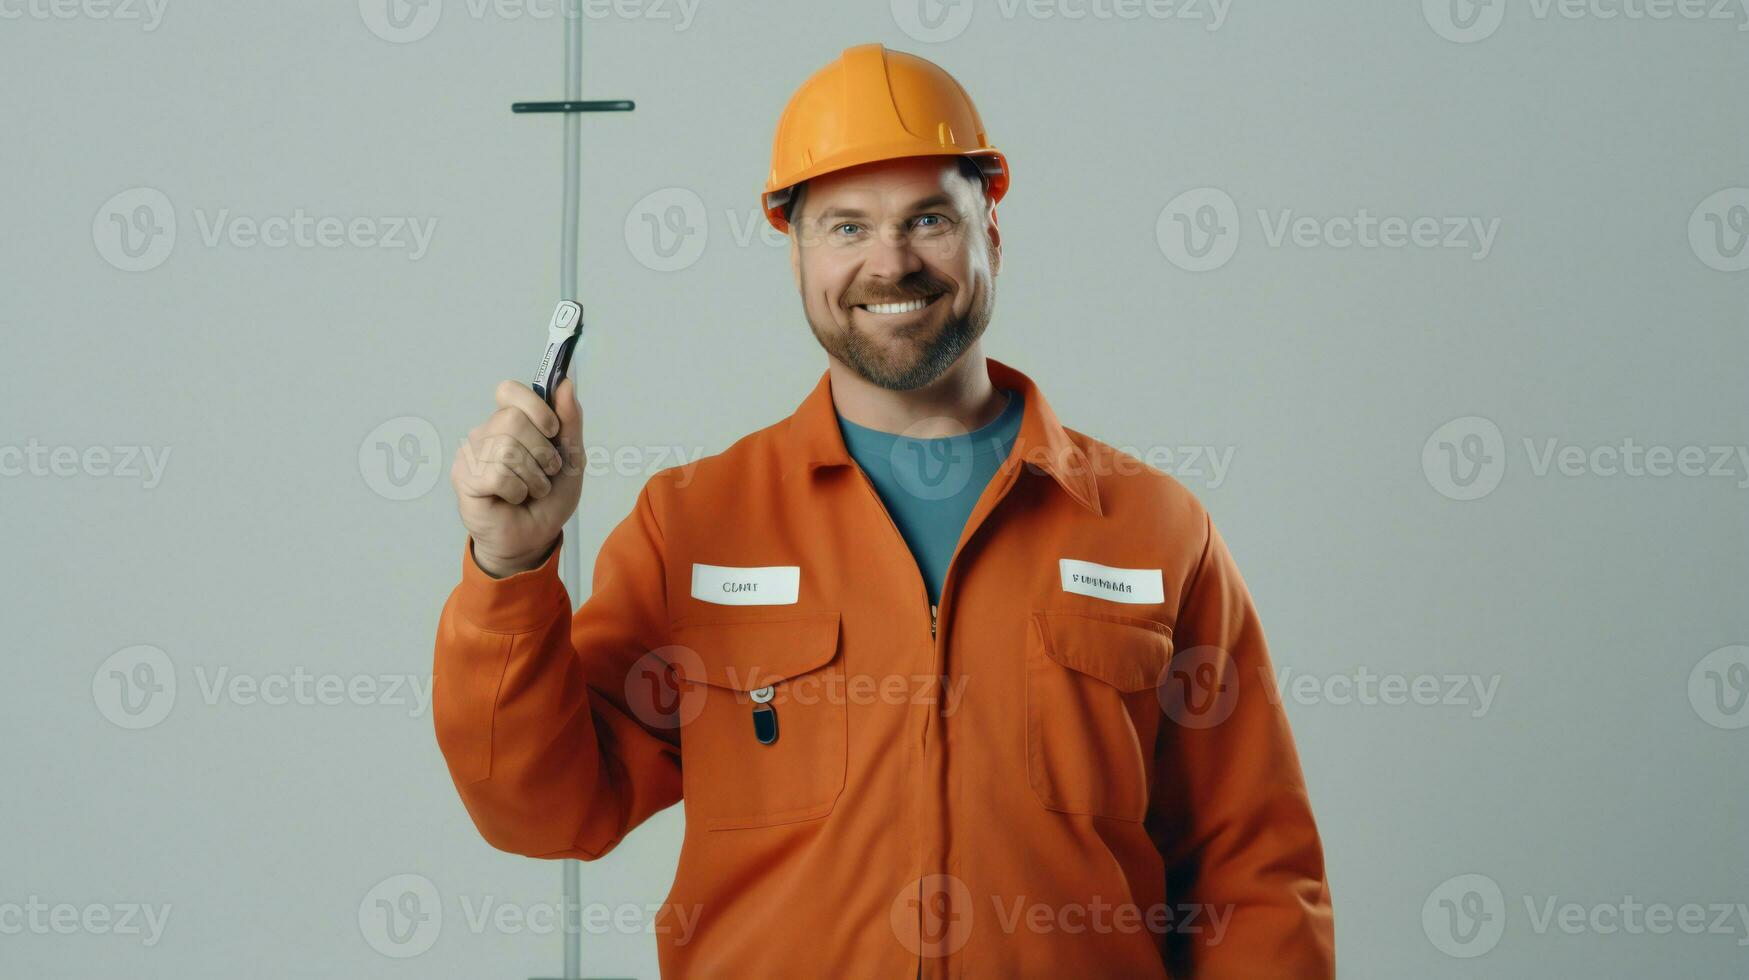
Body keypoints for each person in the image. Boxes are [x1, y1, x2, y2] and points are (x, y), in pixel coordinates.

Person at [433, 42, 1334, 979]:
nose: (891, 262)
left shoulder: (1152, 528)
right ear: (795, 251)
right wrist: (508, 567)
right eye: (847, 228)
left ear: (992, 228)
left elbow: (1253, 871)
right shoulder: (693, 525)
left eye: (929, 219)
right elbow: (541, 810)